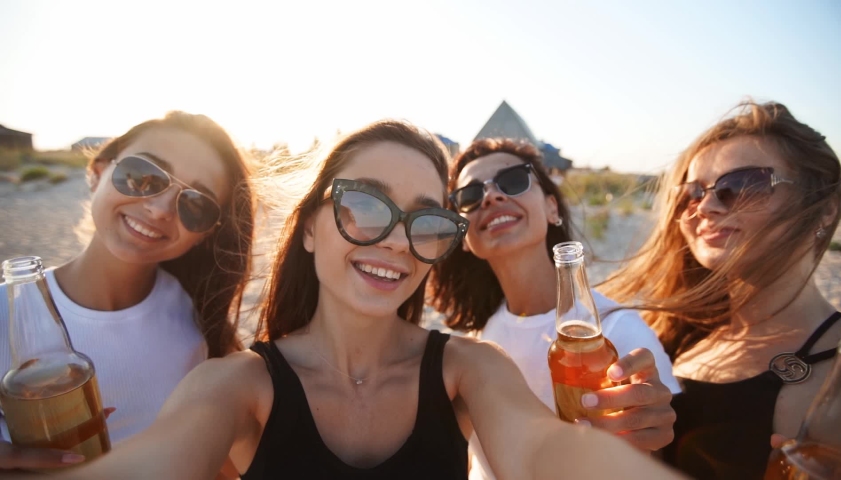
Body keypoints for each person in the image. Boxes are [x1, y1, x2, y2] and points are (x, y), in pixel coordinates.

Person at [11, 120, 682, 480]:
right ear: (307, 227)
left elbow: (540, 452)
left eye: (425, 220)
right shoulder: (234, 384)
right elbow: (165, 457)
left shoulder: (468, 371)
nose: (394, 240)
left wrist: (619, 452)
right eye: (365, 203)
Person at [599, 101, 841, 479]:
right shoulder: (668, 334)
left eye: (742, 185)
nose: (706, 207)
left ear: (825, 207)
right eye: (692, 194)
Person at [0, 111, 256, 471]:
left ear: (207, 233)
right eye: (142, 176)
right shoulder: (7, 315)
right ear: (98, 171)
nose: (159, 208)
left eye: (196, 204)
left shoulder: (204, 327)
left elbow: (230, 460)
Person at [429, 138, 680, 480]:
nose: (491, 196)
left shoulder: (619, 333)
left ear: (552, 208)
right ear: (464, 239)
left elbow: (661, 456)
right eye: (470, 197)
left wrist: (648, 444)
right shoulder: (478, 338)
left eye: (513, 180)